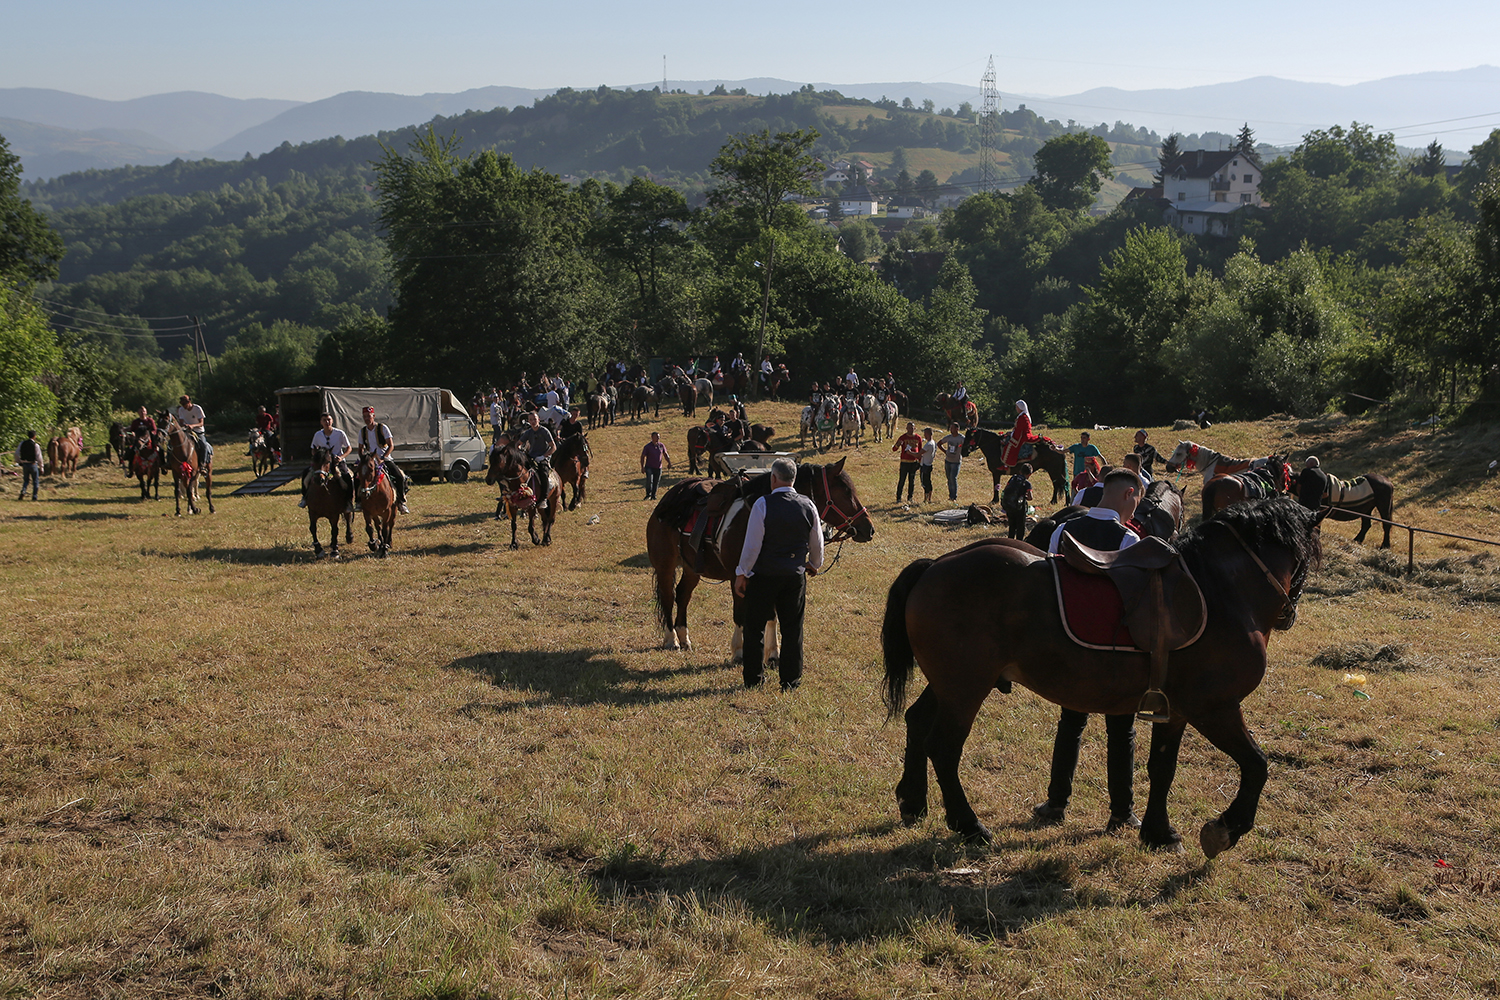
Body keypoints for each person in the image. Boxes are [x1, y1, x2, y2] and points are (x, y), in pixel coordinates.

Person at [1037, 468, 1143, 832]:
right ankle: (1121, 813)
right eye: (1137, 502)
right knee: (1121, 732)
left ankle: (1055, 804)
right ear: (1129, 494)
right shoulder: (1129, 541)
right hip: (1113, 656)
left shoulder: (1060, 531)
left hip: (1071, 648)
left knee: (1070, 725)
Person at [734, 457, 824, 691]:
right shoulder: (809, 505)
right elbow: (817, 541)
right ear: (793, 479)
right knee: (793, 629)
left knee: (754, 628)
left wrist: (742, 573)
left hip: (764, 575)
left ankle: (754, 680)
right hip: (794, 576)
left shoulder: (762, 505)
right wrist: (814, 564)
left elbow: (752, 546)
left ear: (773, 478)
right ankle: (790, 682)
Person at [358, 406, 410, 514]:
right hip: (369, 460)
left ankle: (401, 501)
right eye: (364, 417)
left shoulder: (382, 428)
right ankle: (358, 502)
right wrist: (363, 459)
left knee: (399, 477)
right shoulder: (362, 431)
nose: (367, 419)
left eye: (368, 416)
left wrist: (383, 457)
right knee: (356, 477)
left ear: (373, 416)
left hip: (384, 459)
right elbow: (360, 448)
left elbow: (391, 445)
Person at [300, 412, 353, 509]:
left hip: (336, 461)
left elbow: (349, 447)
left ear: (332, 421)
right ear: (321, 422)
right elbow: (313, 448)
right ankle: (305, 498)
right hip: (322, 462)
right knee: (306, 474)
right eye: (324, 420)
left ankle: (348, 502)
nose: (327, 422)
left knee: (347, 477)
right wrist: (317, 456)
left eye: (329, 419)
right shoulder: (318, 434)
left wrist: (341, 457)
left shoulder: (340, 433)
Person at [517, 411, 556, 510]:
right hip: (531, 457)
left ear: (538, 419)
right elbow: (518, 443)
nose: (533, 421)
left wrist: (543, 456)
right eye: (530, 420)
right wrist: (520, 449)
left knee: (543, 473)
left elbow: (553, 447)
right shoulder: (528, 432)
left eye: (534, 419)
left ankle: (543, 499)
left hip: (543, 457)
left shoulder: (544, 431)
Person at [174, 393, 212, 467]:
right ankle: (170, 462)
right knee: (172, 443)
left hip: (198, 431)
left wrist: (192, 426)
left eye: (184, 404)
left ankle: (202, 464)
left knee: (203, 445)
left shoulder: (197, 408)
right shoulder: (181, 410)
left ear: (189, 402)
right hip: (186, 431)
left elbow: (201, 423)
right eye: (182, 404)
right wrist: (184, 425)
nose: (183, 406)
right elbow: (181, 422)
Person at [1001, 462, 1033, 539]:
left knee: (1012, 527)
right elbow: (1030, 497)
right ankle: (1019, 543)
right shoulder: (1027, 483)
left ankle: (1010, 541)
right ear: (1029, 474)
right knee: (1020, 527)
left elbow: (1005, 489)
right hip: (1020, 508)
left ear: (1020, 471)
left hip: (1009, 506)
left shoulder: (1013, 478)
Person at [999, 400, 1035, 468]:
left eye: (1017, 407)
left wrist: (1012, 435)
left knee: (1010, 445)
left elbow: (1020, 430)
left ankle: (1007, 465)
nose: (1016, 408)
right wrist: (1011, 433)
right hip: (1021, 434)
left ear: (1020, 408)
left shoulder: (1023, 417)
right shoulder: (1021, 416)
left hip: (1023, 436)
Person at [892, 421, 922, 502]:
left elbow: (920, 451)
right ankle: (898, 498)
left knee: (911, 481)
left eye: (912, 428)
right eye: (908, 428)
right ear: (906, 428)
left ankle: (910, 498)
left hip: (913, 462)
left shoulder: (918, 438)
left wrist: (920, 462)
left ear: (914, 428)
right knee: (902, 480)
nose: (910, 429)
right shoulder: (903, 437)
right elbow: (894, 449)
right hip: (904, 462)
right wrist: (898, 444)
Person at [125, 406, 157, 474]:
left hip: (149, 441)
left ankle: (162, 466)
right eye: (140, 411)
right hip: (138, 441)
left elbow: (154, 429)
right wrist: (132, 433)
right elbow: (130, 431)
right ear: (138, 413)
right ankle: (131, 469)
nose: (142, 413)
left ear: (146, 412)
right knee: (131, 452)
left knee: (160, 449)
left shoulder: (150, 420)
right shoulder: (135, 422)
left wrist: (151, 433)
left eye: (143, 411)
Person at [939, 422, 965, 503]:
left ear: (957, 429)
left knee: (953, 478)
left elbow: (967, 447)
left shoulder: (961, 438)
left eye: (952, 428)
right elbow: (939, 443)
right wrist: (945, 451)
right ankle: (950, 495)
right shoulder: (949, 437)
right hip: (948, 461)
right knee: (949, 479)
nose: (951, 430)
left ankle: (954, 496)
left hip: (956, 462)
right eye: (950, 428)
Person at [640, 431, 670, 500]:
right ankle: (648, 494)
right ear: (652, 437)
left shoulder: (661, 445)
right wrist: (642, 467)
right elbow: (642, 457)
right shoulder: (647, 447)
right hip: (649, 467)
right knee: (649, 480)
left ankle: (654, 495)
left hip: (658, 467)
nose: (658, 438)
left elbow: (665, 454)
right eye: (657, 437)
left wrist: (669, 462)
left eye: (659, 437)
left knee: (656, 481)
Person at [15, 430, 42, 500]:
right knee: (35, 480)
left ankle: (23, 490)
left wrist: (19, 461)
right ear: (34, 436)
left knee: (26, 480)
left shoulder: (22, 443)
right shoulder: (36, 445)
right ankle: (34, 496)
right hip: (33, 464)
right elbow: (39, 457)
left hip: (25, 464)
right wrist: (41, 466)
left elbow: (16, 453)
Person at [919, 427, 936, 503]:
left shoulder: (928, 444)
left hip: (925, 465)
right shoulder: (933, 443)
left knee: (924, 483)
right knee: (928, 482)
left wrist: (909, 452)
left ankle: (926, 498)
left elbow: (919, 453)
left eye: (925, 434)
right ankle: (929, 498)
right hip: (929, 464)